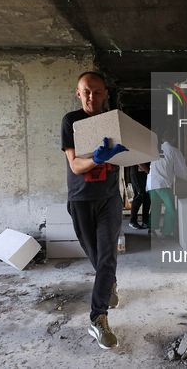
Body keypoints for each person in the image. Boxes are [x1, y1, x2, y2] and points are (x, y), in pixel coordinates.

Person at [60, 72, 128, 349]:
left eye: (97, 92)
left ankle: (98, 318)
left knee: (108, 257)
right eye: (87, 92)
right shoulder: (71, 121)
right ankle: (109, 284)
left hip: (110, 198)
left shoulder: (115, 122)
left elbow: (130, 154)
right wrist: (95, 159)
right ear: (78, 93)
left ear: (105, 94)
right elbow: (75, 165)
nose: (92, 97)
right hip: (81, 199)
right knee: (97, 257)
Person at [147, 131, 187, 238]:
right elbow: (181, 171)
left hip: (151, 183)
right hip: (163, 184)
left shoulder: (155, 150)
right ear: (173, 140)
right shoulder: (174, 151)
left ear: (162, 140)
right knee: (170, 208)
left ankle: (151, 230)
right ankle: (165, 233)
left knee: (155, 206)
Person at [129, 163, 150, 229]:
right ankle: (132, 221)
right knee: (139, 196)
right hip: (137, 174)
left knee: (147, 197)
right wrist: (149, 172)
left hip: (145, 173)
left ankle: (145, 221)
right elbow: (140, 163)